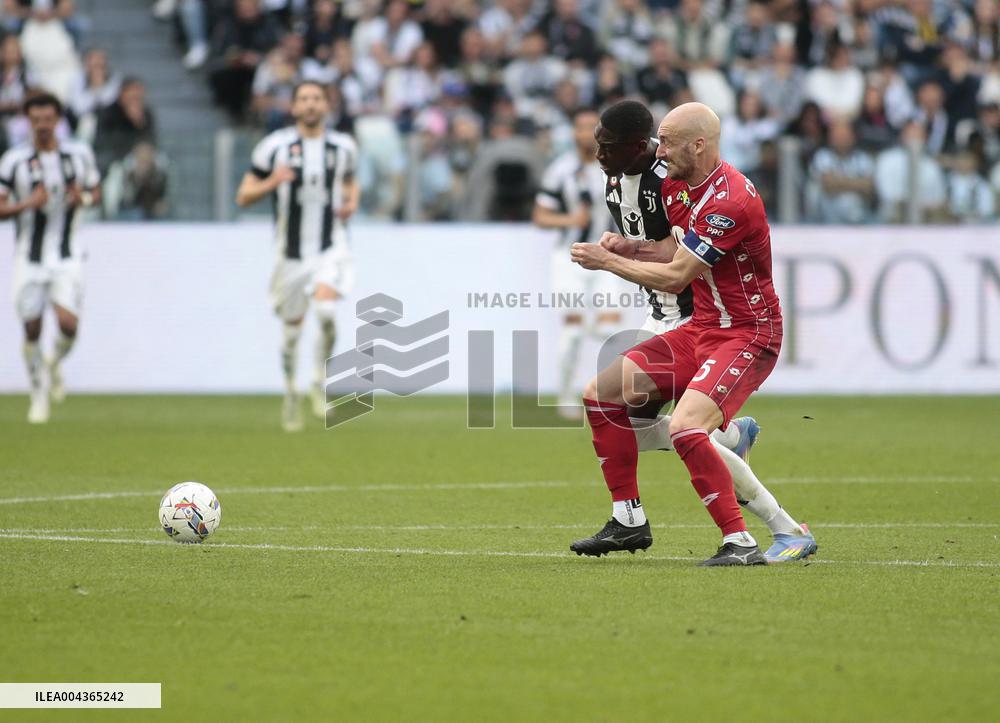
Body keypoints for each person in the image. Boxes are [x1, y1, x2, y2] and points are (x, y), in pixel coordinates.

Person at [569, 102, 816, 566]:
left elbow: (678, 275)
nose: (658, 151)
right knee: (600, 395)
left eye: (666, 141)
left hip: (748, 333)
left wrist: (608, 261)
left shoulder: (731, 199)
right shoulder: (680, 188)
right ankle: (630, 516)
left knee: (684, 428)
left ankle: (741, 542)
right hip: (702, 328)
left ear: (698, 144)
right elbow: (672, 247)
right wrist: (633, 245)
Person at [235, 81, 359, 432]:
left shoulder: (343, 147)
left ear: (326, 105)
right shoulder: (274, 148)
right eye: (303, 99)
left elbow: (350, 182)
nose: (310, 104)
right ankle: (291, 391)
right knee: (291, 335)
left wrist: (352, 201)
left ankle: (319, 383)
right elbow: (243, 195)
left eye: (316, 98)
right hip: (289, 254)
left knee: (327, 311)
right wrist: (272, 182)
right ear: (293, 107)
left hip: (330, 246)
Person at [0, 92, 100, 423]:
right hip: (29, 257)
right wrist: (26, 204)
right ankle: (38, 394)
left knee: (69, 325)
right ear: (28, 121)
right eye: (36, 120)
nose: (42, 126)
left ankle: (53, 363)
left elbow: (94, 193)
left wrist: (81, 197)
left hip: (67, 254)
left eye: (48, 119)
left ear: (58, 120)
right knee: (31, 328)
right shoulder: (14, 160)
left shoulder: (79, 154)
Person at [532, 108, 621, 418]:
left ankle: (604, 395)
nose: (586, 134)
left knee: (611, 329)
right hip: (569, 257)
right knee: (571, 332)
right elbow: (540, 216)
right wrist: (572, 219)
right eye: (581, 127)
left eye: (591, 128)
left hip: (605, 258)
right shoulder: (560, 171)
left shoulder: (615, 168)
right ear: (573, 133)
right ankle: (566, 395)